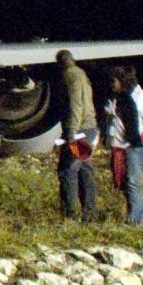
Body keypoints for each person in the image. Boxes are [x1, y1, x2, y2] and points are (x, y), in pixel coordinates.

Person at [106, 65, 143, 225]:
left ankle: (134, 219)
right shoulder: (116, 98)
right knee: (127, 183)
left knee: (132, 182)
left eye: (115, 80)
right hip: (118, 144)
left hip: (133, 144)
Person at [55, 51, 98, 220]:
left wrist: (71, 132)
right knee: (85, 170)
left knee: (68, 170)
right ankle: (90, 213)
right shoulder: (82, 74)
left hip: (79, 130)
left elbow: (75, 105)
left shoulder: (69, 76)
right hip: (89, 126)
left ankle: (70, 214)